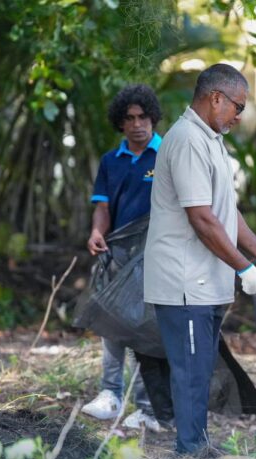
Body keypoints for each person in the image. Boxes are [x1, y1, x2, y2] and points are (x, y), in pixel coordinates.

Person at [144, 63, 256, 454]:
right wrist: (244, 268)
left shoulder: (210, 137)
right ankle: (190, 452)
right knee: (191, 372)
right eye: (238, 106)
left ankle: (197, 445)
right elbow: (202, 219)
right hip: (184, 282)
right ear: (215, 98)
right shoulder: (188, 140)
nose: (240, 115)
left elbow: (227, 212)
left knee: (200, 369)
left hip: (204, 282)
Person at [83, 84, 166, 432]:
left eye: (143, 117)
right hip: (117, 257)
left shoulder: (167, 155)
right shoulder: (110, 162)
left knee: (148, 332)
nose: (137, 124)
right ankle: (110, 395)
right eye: (129, 118)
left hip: (157, 258)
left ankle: (149, 409)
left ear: (153, 118)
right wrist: (97, 232)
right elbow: (102, 206)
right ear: (120, 123)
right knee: (111, 325)